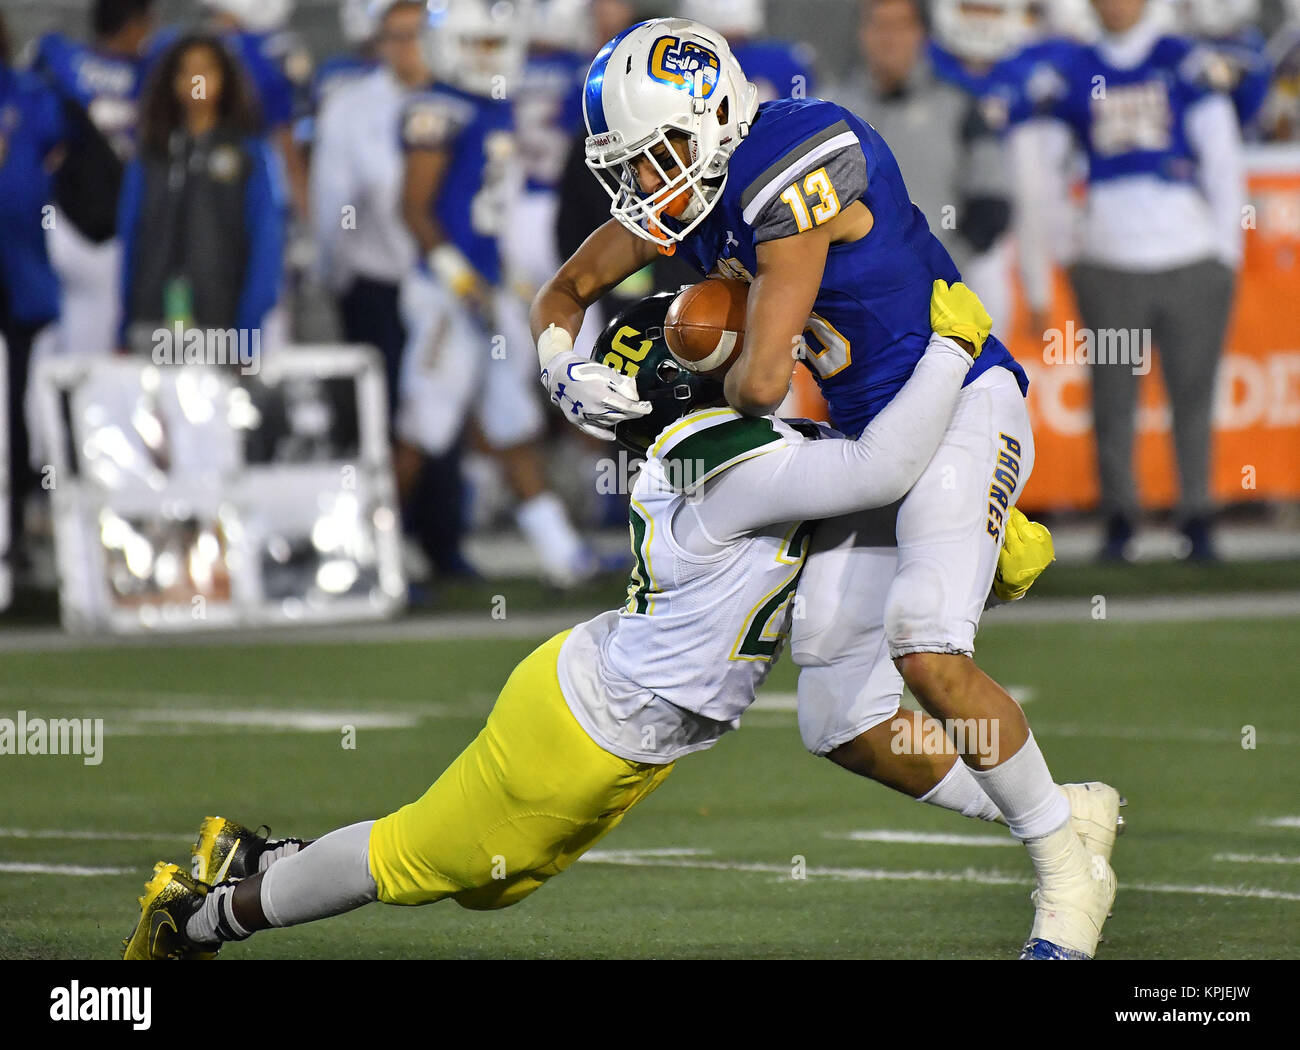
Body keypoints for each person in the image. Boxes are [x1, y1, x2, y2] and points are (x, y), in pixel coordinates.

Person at [121, 282, 990, 960]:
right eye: (714, 334)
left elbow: (856, 474)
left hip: (626, 725)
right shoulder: (727, 468)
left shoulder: (725, 444)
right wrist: (952, 350)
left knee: (492, 885)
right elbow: (879, 467)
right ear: (680, 376)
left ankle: (261, 859)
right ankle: (198, 921)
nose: (755, 338)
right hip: (583, 733)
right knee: (410, 864)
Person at [532, 17, 1119, 959]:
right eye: (633, 167)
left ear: (713, 115)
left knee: (925, 645)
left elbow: (761, 384)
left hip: (957, 390)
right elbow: (562, 290)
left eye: (659, 157)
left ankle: (1066, 877)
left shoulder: (798, 158)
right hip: (869, 431)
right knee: (839, 721)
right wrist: (563, 366)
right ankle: (1060, 810)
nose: (646, 185)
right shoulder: (693, 176)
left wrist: (657, 383)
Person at [1002, 0, 1245, 561]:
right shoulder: (1074, 70)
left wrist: (1225, 253)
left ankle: (1198, 516)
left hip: (1189, 254)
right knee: (1114, 397)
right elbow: (1046, 173)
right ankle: (1120, 517)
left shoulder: (1182, 59)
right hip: (1110, 261)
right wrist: (1071, 249)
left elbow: (1224, 160)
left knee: (1193, 395)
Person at [397, 0, 596, 588]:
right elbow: (413, 208)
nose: (489, 56)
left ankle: (561, 552)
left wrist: (502, 279)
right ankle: (370, 552)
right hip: (443, 291)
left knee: (512, 420)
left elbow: (490, 215)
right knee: (424, 425)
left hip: (484, 289)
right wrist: (457, 278)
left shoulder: (493, 108)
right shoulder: (436, 109)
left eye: (493, 43)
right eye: (476, 45)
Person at [830, 0, 1013, 327]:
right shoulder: (826, 109)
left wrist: (942, 265)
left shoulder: (958, 107)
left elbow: (992, 202)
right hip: (849, 303)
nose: (890, 38)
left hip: (938, 301)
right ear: (861, 32)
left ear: (922, 34)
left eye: (901, 25)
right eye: (879, 25)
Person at [118, 34, 286, 358]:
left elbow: (267, 244)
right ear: (171, 81)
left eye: (206, 69)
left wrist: (247, 336)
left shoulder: (249, 154)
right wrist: (124, 327)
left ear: (225, 78)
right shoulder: (151, 156)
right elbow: (131, 240)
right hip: (152, 326)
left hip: (222, 329)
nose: (196, 80)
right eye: (186, 71)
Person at [29, 0, 158, 361]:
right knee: (106, 330)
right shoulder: (152, 69)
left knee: (57, 326)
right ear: (135, 24)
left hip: (57, 220)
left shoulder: (59, 57)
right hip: (113, 222)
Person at [0, 14, 67, 576]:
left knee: (16, 410)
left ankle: (17, 532)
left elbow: (52, 165)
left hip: (16, 272)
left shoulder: (26, 94)